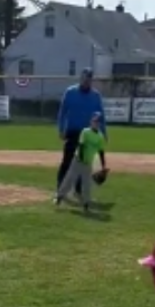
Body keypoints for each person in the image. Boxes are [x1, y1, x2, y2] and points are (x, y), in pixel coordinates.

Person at [55, 69, 107, 199]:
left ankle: (78, 190)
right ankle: (60, 190)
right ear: (80, 78)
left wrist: (104, 133)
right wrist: (61, 129)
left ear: (91, 80)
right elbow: (62, 112)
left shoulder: (95, 96)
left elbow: (101, 116)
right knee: (67, 161)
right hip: (72, 132)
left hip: (88, 134)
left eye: (89, 79)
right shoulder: (70, 92)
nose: (86, 81)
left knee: (84, 163)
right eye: (84, 78)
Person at [53, 112, 108, 214]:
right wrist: (82, 158)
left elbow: (101, 151)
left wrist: (104, 165)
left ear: (99, 124)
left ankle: (86, 204)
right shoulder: (85, 132)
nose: (95, 123)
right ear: (91, 122)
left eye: (97, 122)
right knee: (69, 179)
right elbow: (81, 145)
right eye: (94, 121)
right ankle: (59, 197)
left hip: (88, 163)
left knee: (86, 185)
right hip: (78, 160)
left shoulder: (100, 136)